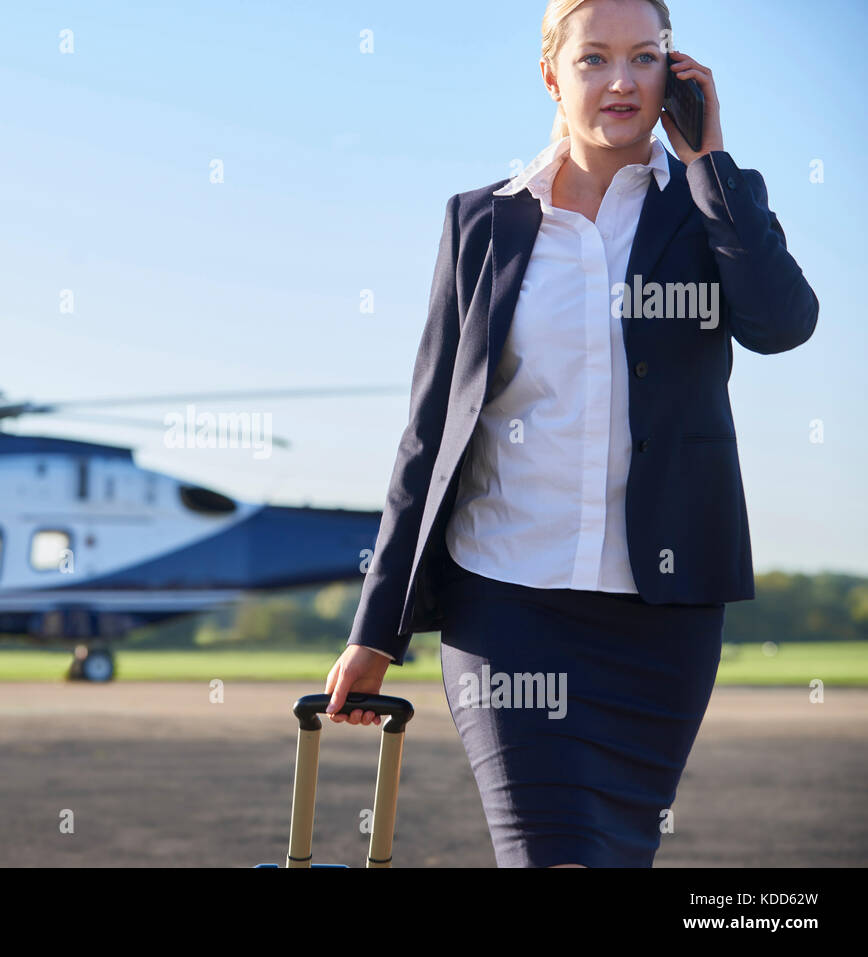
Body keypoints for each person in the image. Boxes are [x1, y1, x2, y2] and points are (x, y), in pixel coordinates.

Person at [323, 0, 818, 867]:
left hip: (662, 617)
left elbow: (781, 324)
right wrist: (378, 625)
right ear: (551, 74)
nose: (622, 81)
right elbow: (429, 433)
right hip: (508, 602)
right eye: (594, 59)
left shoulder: (711, 204)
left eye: (645, 57)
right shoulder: (481, 223)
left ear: (677, 73)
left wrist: (710, 165)